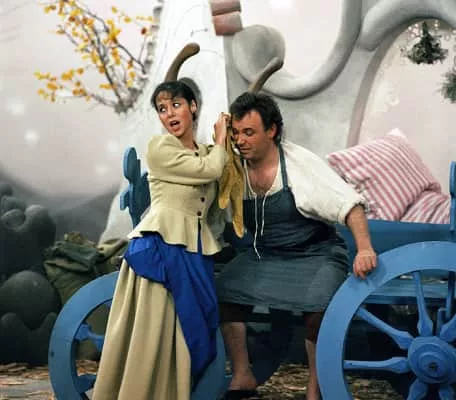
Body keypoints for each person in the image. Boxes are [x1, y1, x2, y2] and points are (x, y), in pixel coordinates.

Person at [216, 92, 377, 400]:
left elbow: (351, 206)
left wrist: (365, 248)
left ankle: (315, 389)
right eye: (236, 133)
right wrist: (219, 143)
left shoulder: (298, 164)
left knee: (318, 307)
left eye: (249, 132)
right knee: (224, 292)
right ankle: (243, 375)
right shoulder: (234, 167)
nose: (241, 141)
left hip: (316, 253)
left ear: (272, 130)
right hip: (266, 255)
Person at [92, 80, 229, 400]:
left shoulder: (205, 153)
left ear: (193, 107)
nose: (169, 114)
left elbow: (214, 187)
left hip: (193, 248)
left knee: (190, 331)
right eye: (162, 109)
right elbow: (209, 170)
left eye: (176, 105)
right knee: (155, 332)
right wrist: (221, 140)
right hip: (162, 247)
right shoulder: (161, 148)